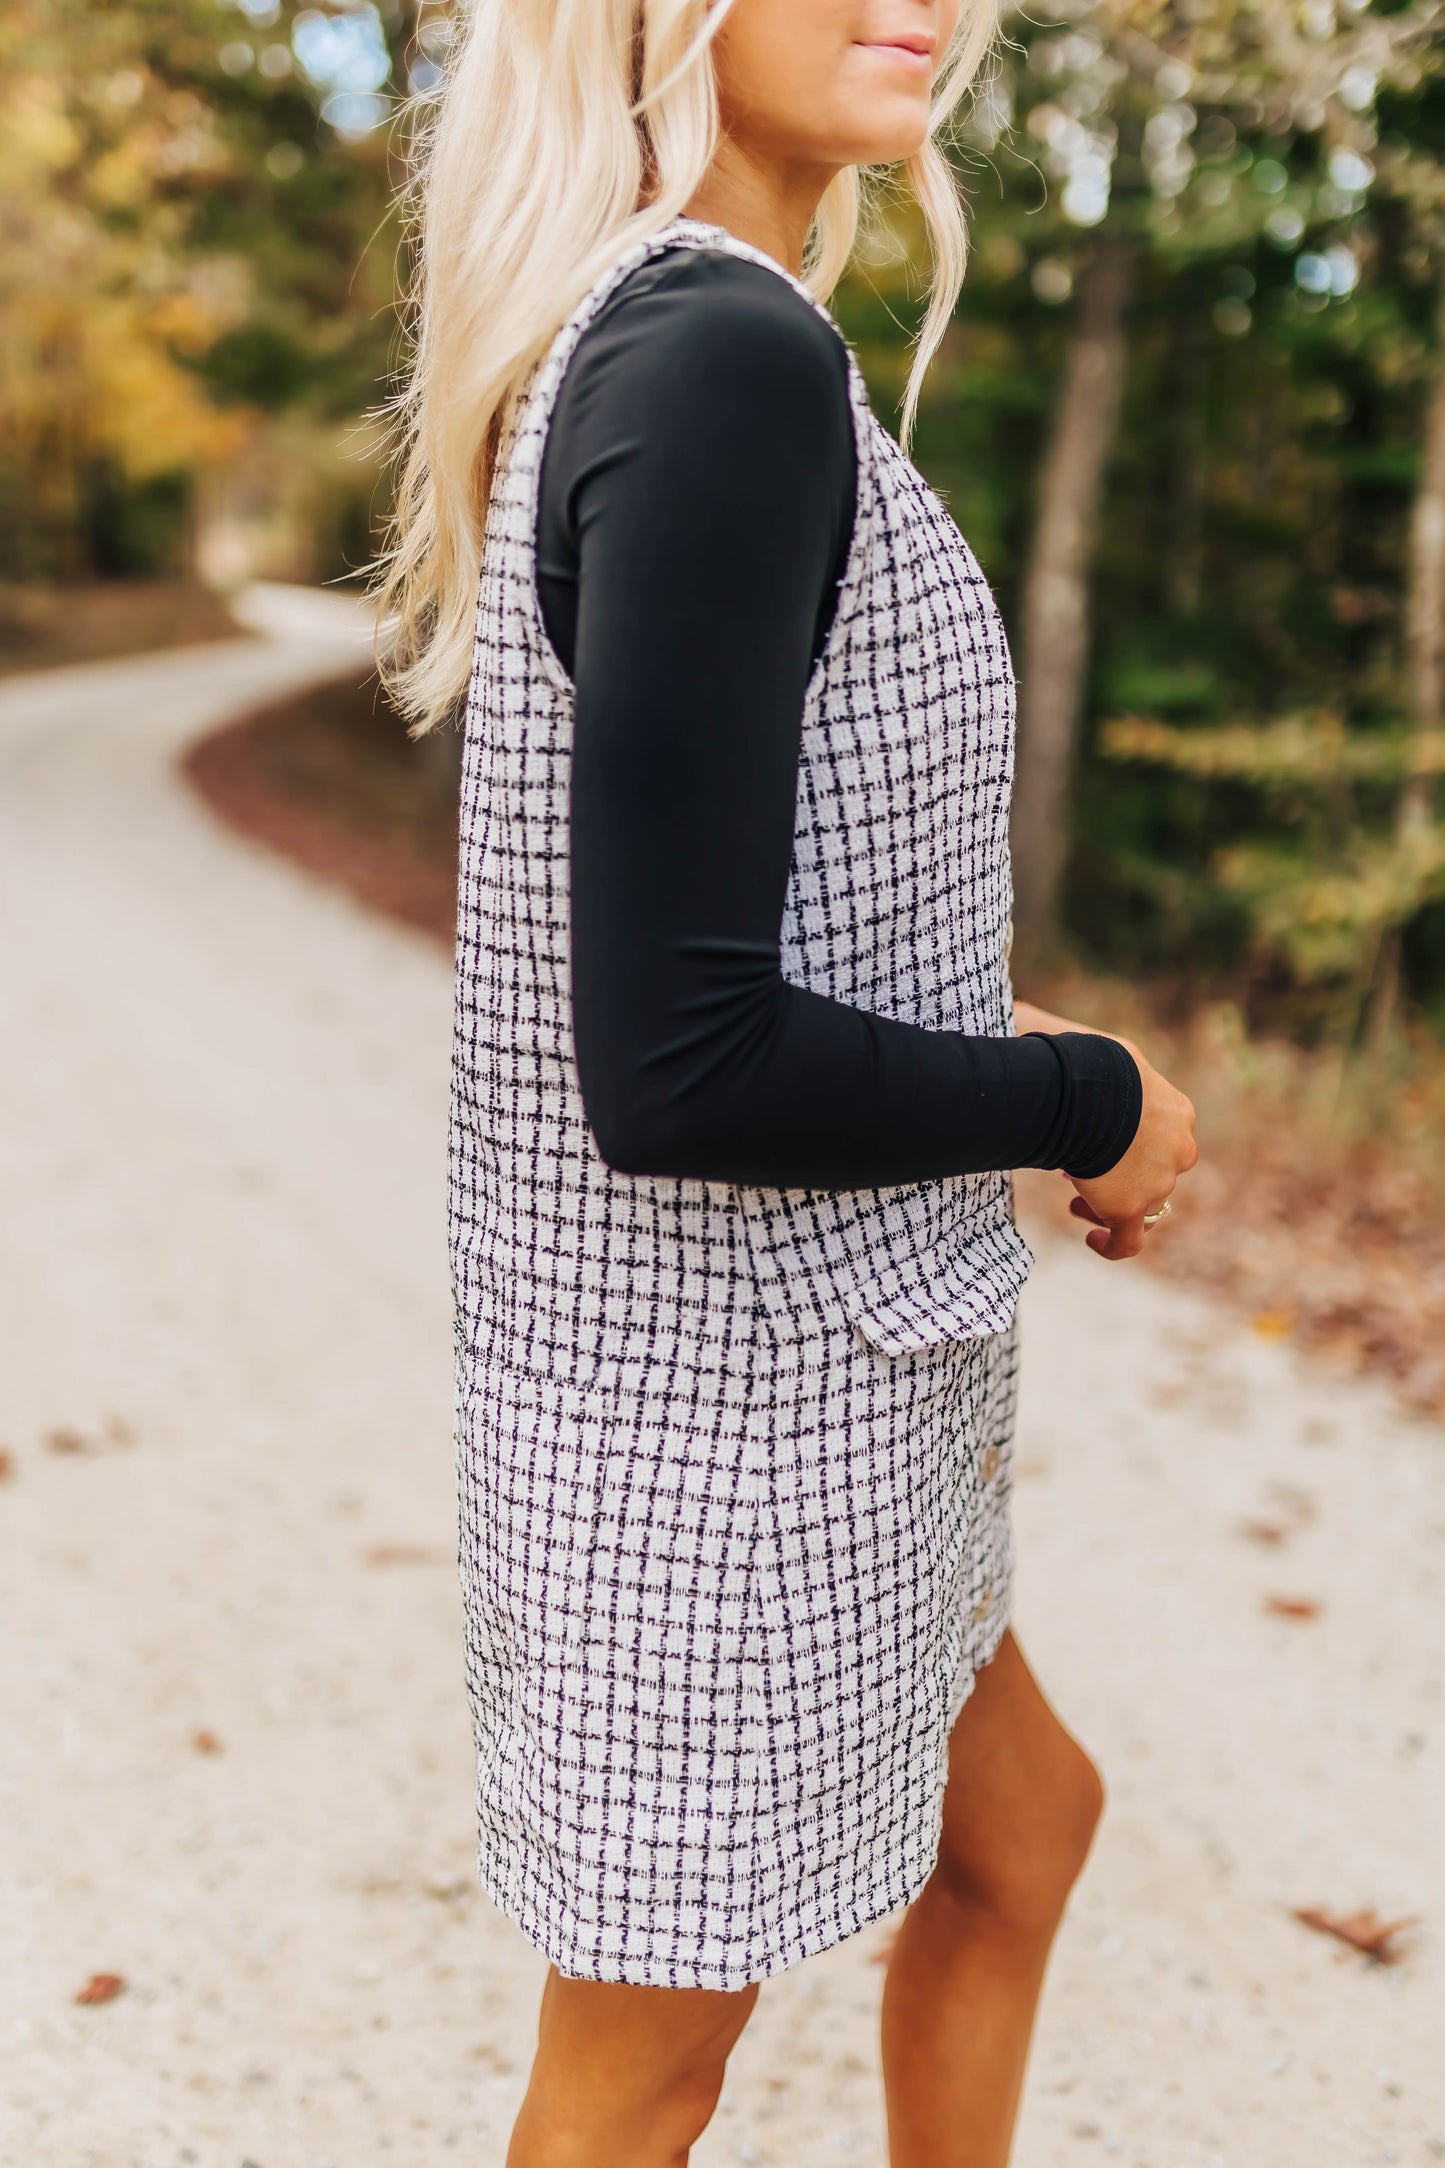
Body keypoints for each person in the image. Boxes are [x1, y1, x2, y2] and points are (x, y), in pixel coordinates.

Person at [376, 2, 1199, 2162]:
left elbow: (748, 927)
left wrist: (1008, 1047)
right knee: (638, 2075)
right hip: (717, 1436)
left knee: (1021, 1831)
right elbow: (676, 1061)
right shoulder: (712, 361)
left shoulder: (685, 336)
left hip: (841, 1377)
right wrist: (1085, 1100)